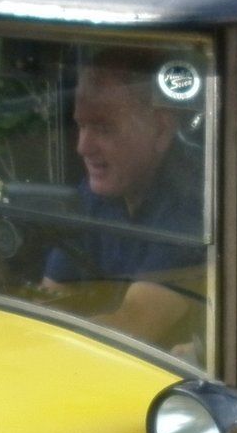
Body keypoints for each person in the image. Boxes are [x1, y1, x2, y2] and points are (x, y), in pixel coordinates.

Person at [40, 48, 205, 346]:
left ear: (160, 130)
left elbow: (133, 327)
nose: (82, 147)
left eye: (103, 128)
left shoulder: (191, 204)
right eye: (81, 125)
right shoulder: (101, 191)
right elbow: (53, 293)